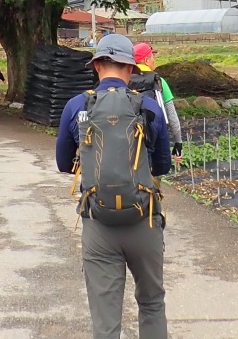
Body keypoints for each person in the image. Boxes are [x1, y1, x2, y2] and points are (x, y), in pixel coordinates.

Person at [55, 34, 171, 339]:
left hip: (99, 224)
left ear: (96, 66)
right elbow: (163, 166)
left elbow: (64, 163)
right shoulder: (148, 107)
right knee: (152, 303)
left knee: (105, 321)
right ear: (131, 68)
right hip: (144, 221)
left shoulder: (76, 106)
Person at [132, 43, 184, 168]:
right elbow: (171, 116)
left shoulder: (125, 79)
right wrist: (178, 142)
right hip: (152, 140)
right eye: (152, 57)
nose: (154, 60)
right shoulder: (159, 82)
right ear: (146, 60)